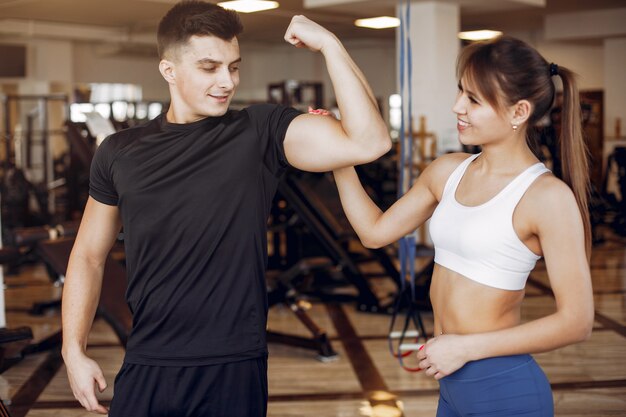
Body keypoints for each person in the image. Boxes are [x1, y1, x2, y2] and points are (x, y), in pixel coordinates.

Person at [61, 1, 391, 416]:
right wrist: (73, 350)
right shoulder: (120, 152)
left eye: (233, 67)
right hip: (148, 357)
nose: (226, 81)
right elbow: (88, 255)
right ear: (169, 70)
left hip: (233, 363)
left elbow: (370, 143)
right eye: (209, 67)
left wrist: (329, 44)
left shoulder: (259, 131)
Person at [333, 35, 593, 416]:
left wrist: (465, 347)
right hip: (452, 387)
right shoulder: (448, 171)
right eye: (460, 92)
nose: (457, 107)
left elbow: (577, 322)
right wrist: (341, 158)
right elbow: (375, 232)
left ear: (519, 111)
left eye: (473, 99)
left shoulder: (547, 197)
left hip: (504, 388)